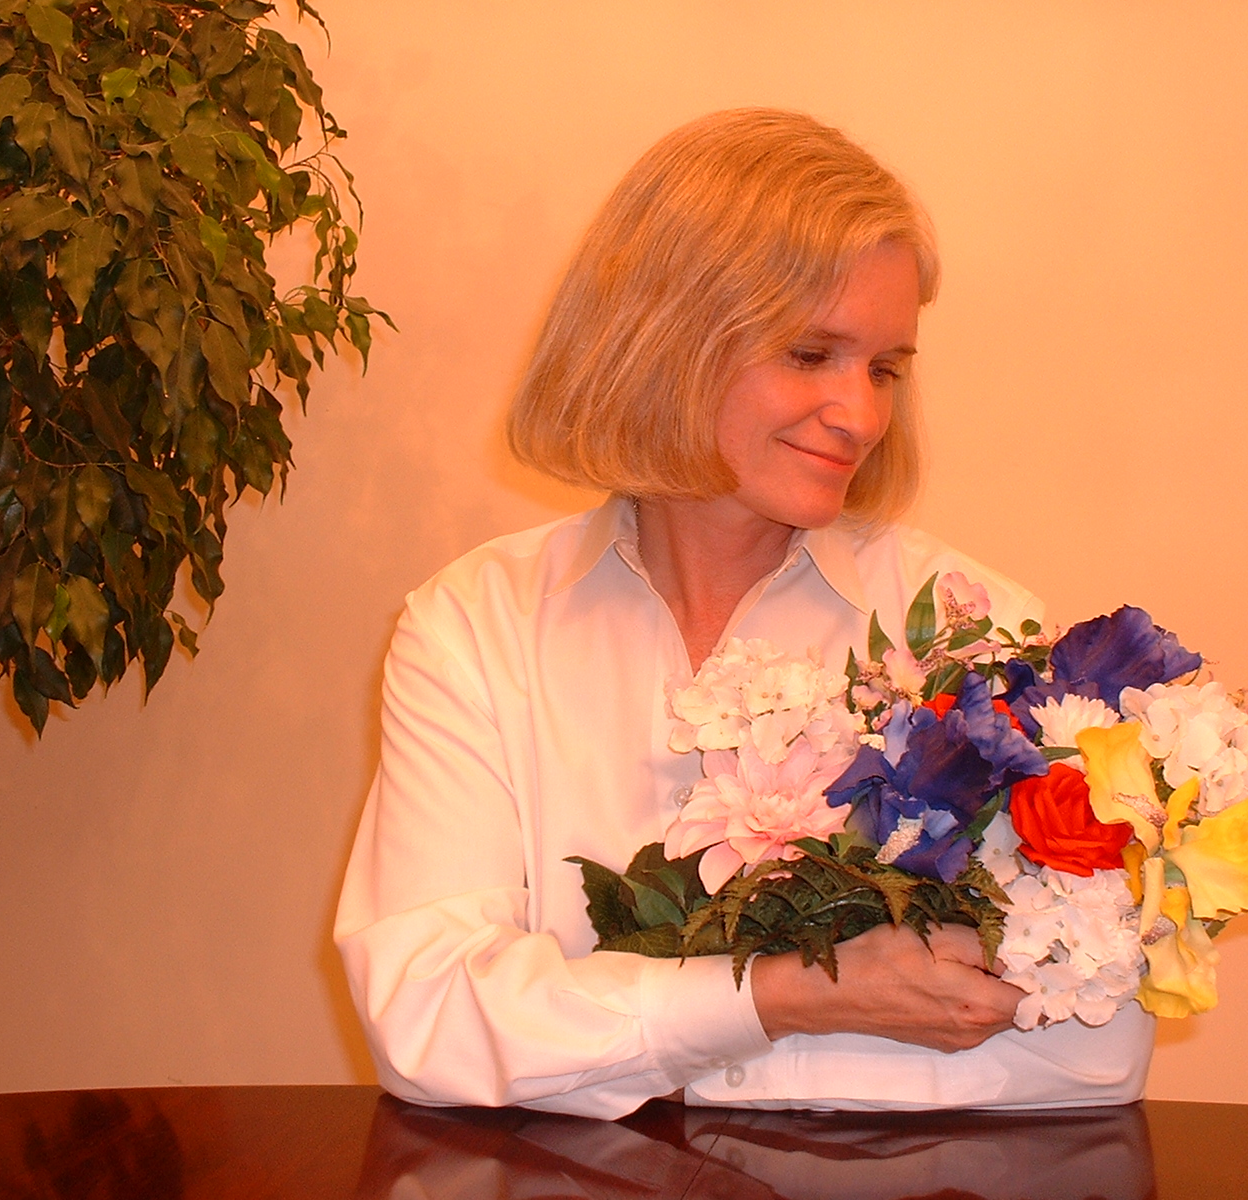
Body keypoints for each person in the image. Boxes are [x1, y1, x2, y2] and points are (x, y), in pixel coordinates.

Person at [334, 108, 1153, 1119]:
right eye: (810, 354)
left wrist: (604, 1049)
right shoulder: (475, 630)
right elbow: (430, 1017)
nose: (862, 415)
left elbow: (1090, 1051)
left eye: (884, 368)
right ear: (661, 340)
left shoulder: (968, 629)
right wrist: (794, 1000)